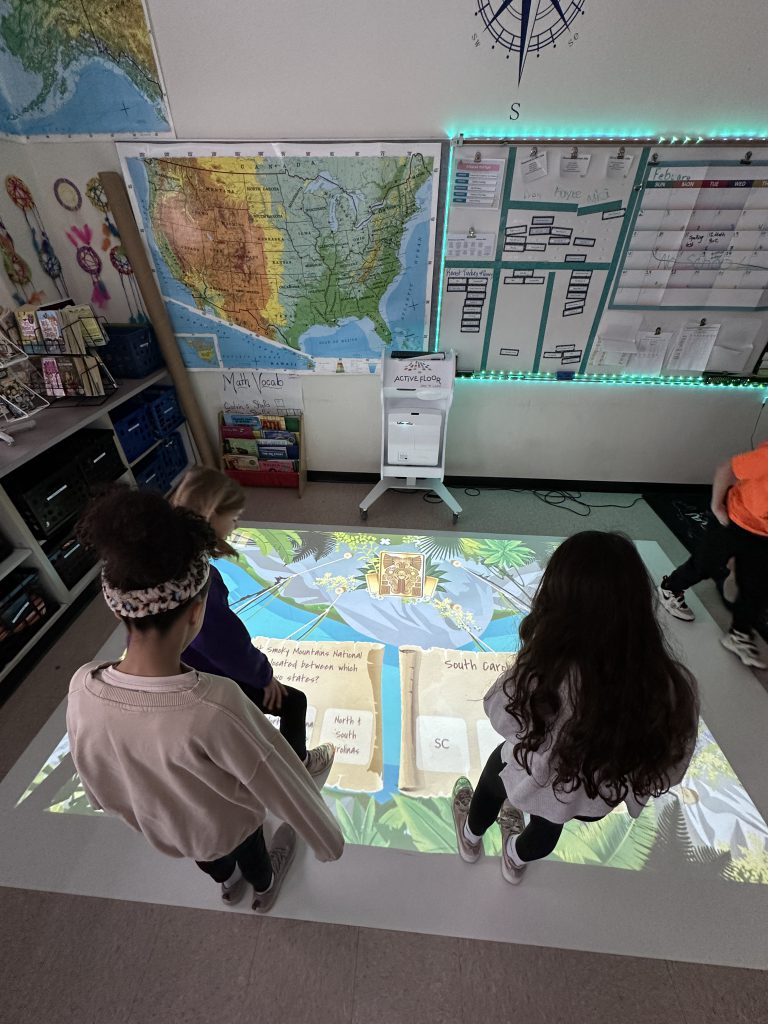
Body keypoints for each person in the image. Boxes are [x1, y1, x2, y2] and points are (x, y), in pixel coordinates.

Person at [67, 486, 344, 911]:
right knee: (254, 854)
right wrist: (328, 841)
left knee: (213, 862)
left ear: (117, 607)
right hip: (231, 823)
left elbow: (98, 784)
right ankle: (265, 888)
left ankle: (229, 886)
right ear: (197, 611)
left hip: (172, 830)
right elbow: (278, 777)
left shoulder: (82, 684)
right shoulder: (218, 703)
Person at [451, 531, 700, 884]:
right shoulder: (674, 685)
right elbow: (672, 766)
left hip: (532, 773)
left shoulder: (545, 670)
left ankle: (470, 837)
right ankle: (514, 859)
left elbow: (499, 714)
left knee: (495, 781)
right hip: (595, 797)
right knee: (550, 821)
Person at [171, 466, 335, 777]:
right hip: (205, 680)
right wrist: (263, 675)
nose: (234, 527)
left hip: (183, 671)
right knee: (293, 702)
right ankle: (298, 773)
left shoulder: (166, 559)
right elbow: (224, 643)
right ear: (211, 516)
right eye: (232, 519)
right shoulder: (201, 577)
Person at [658, 442, 768, 669]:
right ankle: (670, 588)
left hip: (763, 533)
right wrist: (717, 507)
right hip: (734, 518)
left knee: (757, 585)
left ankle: (739, 634)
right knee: (706, 563)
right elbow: (726, 469)